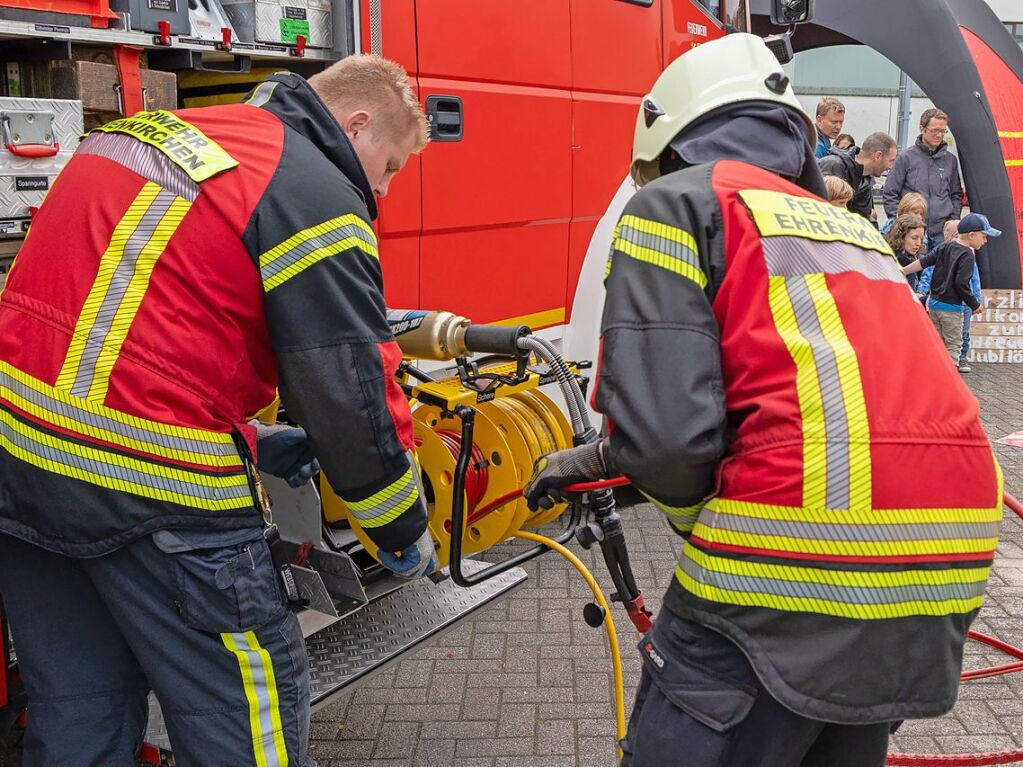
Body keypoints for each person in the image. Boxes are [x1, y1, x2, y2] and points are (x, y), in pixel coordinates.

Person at [523, 33, 1002, 767]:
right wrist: (602, 456)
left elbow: (669, 444)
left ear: (668, 137)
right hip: (946, 551)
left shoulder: (673, 204)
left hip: (790, 563)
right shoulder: (849, 231)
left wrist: (696, 517)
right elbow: (808, 397)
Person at [0, 55, 435, 766]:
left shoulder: (154, 133)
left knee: (81, 708)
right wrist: (398, 526)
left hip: (21, 470)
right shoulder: (310, 188)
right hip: (158, 496)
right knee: (245, 709)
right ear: (355, 124)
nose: (380, 191)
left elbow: (126, 321)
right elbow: (347, 390)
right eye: (388, 166)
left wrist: (250, 436)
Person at [906, 214, 994, 371]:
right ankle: (950, 378)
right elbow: (961, 283)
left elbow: (923, 262)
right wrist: (974, 304)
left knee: (936, 343)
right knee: (953, 345)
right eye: (984, 236)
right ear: (972, 235)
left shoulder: (944, 246)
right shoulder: (967, 254)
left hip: (933, 305)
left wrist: (902, 270)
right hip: (952, 309)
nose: (985, 240)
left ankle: (932, 374)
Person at [882, 108, 963, 246]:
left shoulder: (951, 160)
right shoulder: (905, 158)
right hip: (912, 233)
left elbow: (956, 194)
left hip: (941, 233)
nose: (939, 135)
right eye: (934, 130)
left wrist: (953, 220)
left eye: (943, 131)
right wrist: (901, 224)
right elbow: (890, 193)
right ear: (922, 128)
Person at [819, 131, 898, 220]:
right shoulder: (831, 165)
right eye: (891, 161)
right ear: (878, 156)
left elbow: (864, 219)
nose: (890, 167)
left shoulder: (866, 179)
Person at [883, 213, 927, 291]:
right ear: (901, 236)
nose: (919, 243)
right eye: (914, 238)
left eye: (921, 239)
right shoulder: (888, 259)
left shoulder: (919, 259)